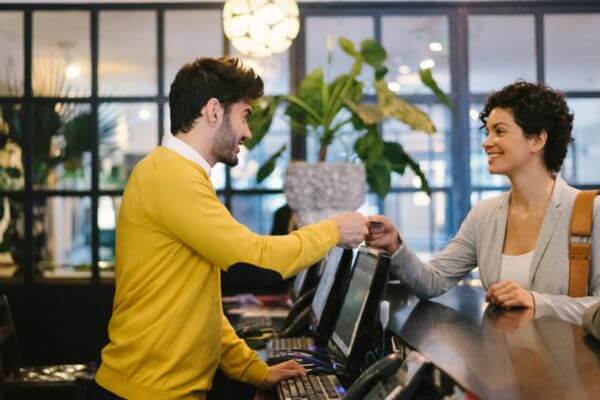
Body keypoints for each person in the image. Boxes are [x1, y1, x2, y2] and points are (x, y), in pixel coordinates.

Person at [93, 57, 369, 400]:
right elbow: (255, 261)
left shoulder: (178, 173)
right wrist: (332, 230)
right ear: (213, 111)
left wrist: (256, 372)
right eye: (244, 115)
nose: (248, 132)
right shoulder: (171, 175)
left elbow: (201, 308)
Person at [367, 81, 600, 324]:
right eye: (487, 131)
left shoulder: (591, 211)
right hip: (500, 358)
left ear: (537, 140)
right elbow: (433, 281)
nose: (487, 142)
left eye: (499, 131)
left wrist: (537, 302)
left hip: (565, 360)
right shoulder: (485, 214)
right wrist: (394, 244)